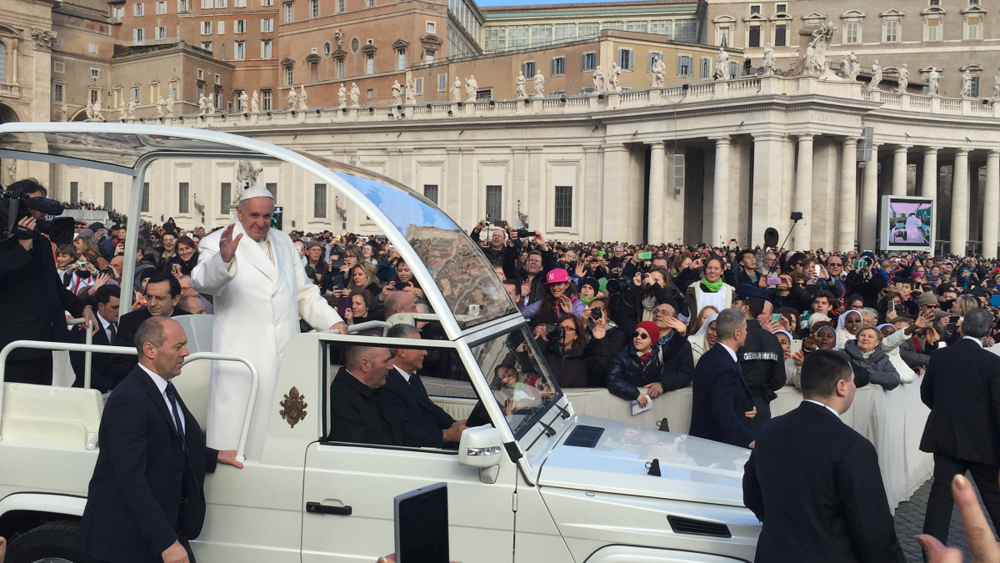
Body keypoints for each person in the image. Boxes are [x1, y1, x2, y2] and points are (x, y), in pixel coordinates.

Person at [191, 186, 347, 461]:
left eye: (267, 216)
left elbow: (303, 292)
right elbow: (202, 282)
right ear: (239, 212)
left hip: (285, 356)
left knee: (280, 439)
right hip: (242, 360)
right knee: (241, 442)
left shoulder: (283, 241)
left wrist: (332, 321)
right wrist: (223, 259)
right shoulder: (216, 242)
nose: (261, 222)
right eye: (254, 215)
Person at [79, 317, 243, 563]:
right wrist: (166, 542)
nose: (186, 353)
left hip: (158, 529)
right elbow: (130, 479)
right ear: (150, 350)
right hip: (125, 542)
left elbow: (170, 439)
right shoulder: (129, 400)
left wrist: (213, 455)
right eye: (178, 346)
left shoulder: (163, 387)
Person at [743, 349, 907, 563]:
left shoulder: (769, 430)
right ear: (841, 386)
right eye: (853, 381)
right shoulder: (853, 446)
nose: (854, 387)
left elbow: (752, 494)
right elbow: (873, 530)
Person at [0, 179, 98, 385]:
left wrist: (82, 307)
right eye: (38, 202)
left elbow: (53, 285)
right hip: (12, 345)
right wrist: (21, 247)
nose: (45, 209)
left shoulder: (42, 241)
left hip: (44, 341)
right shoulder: (5, 239)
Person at [920, 307, 1000, 549]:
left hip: (946, 438)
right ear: (989, 331)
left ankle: (932, 552)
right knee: (994, 497)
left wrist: (947, 416)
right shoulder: (993, 362)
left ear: (962, 327)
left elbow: (927, 395)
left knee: (940, 498)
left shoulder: (940, 356)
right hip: (984, 442)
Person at [381, 324, 466, 447]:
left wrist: (453, 424)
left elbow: (430, 408)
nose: (425, 353)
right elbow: (404, 432)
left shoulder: (412, 378)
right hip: (422, 449)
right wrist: (447, 435)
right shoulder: (387, 383)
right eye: (420, 348)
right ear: (402, 352)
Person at [105, 273, 190, 389]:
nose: (152, 303)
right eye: (149, 297)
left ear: (175, 299)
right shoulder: (129, 321)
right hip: (141, 386)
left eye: (160, 298)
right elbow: (116, 366)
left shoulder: (190, 321)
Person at [689, 308, 756, 449]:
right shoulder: (724, 365)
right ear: (737, 334)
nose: (747, 332)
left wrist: (744, 406)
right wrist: (748, 439)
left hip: (704, 444)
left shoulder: (708, 357)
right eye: (745, 329)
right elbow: (722, 410)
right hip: (718, 447)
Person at [328, 344, 410, 446]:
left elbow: (402, 430)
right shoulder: (341, 401)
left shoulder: (379, 386)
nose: (391, 366)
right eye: (385, 361)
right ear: (365, 365)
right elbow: (356, 450)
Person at [735, 294, 786, 431]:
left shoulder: (735, 337)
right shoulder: (773, 340)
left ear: (745, 309)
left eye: (736, 304)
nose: (732, 306)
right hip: (761, 405)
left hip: (736, 403)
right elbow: (779, 380)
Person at [606, 321, 663, 406]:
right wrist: (636, 394)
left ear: (652, 341)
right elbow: (612, 380)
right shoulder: (621, 356)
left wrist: (661, 384)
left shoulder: (659, 355)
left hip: (651, 406)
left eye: (643, 336)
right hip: (623, 404)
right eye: (636, 334)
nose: (638, 338)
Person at [842, 325, 900, 389]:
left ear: (877, 342)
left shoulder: (883, 358)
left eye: (870, 337)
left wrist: (869, 376)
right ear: (857, 338)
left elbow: (895, 378)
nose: (865, 338)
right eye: (862, 335)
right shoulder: (843, 354)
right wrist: (879, 378)